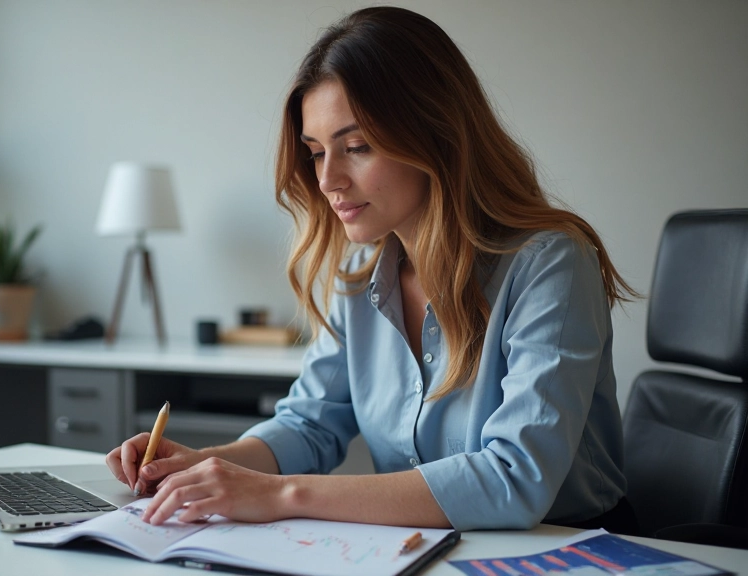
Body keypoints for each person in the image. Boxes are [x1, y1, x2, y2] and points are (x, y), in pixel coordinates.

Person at [107, 6, 639, 533]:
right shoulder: (360, 280)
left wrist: (280, 494)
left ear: (436, 136)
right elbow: (309, 425)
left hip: (568, 552)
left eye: (356, 146)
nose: (329, 180)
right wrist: (204, 465)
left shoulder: (551, 264)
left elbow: (514, 479)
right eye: (316, 153)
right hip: (425, 550)